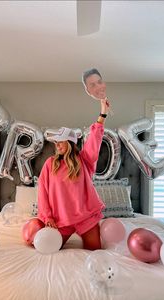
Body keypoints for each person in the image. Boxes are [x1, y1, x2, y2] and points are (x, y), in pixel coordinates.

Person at [37, 69, 110, 250]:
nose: (58, 145)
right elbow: (43, 193)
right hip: (60, 220)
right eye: (56, 143)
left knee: (96, 252)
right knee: (46, 248)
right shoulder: (50, 164)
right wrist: (48, 217)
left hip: (86, 218)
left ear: (70, 143)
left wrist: (102, 115)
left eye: (61, 142)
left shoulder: (84, 160)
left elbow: (94, 141)